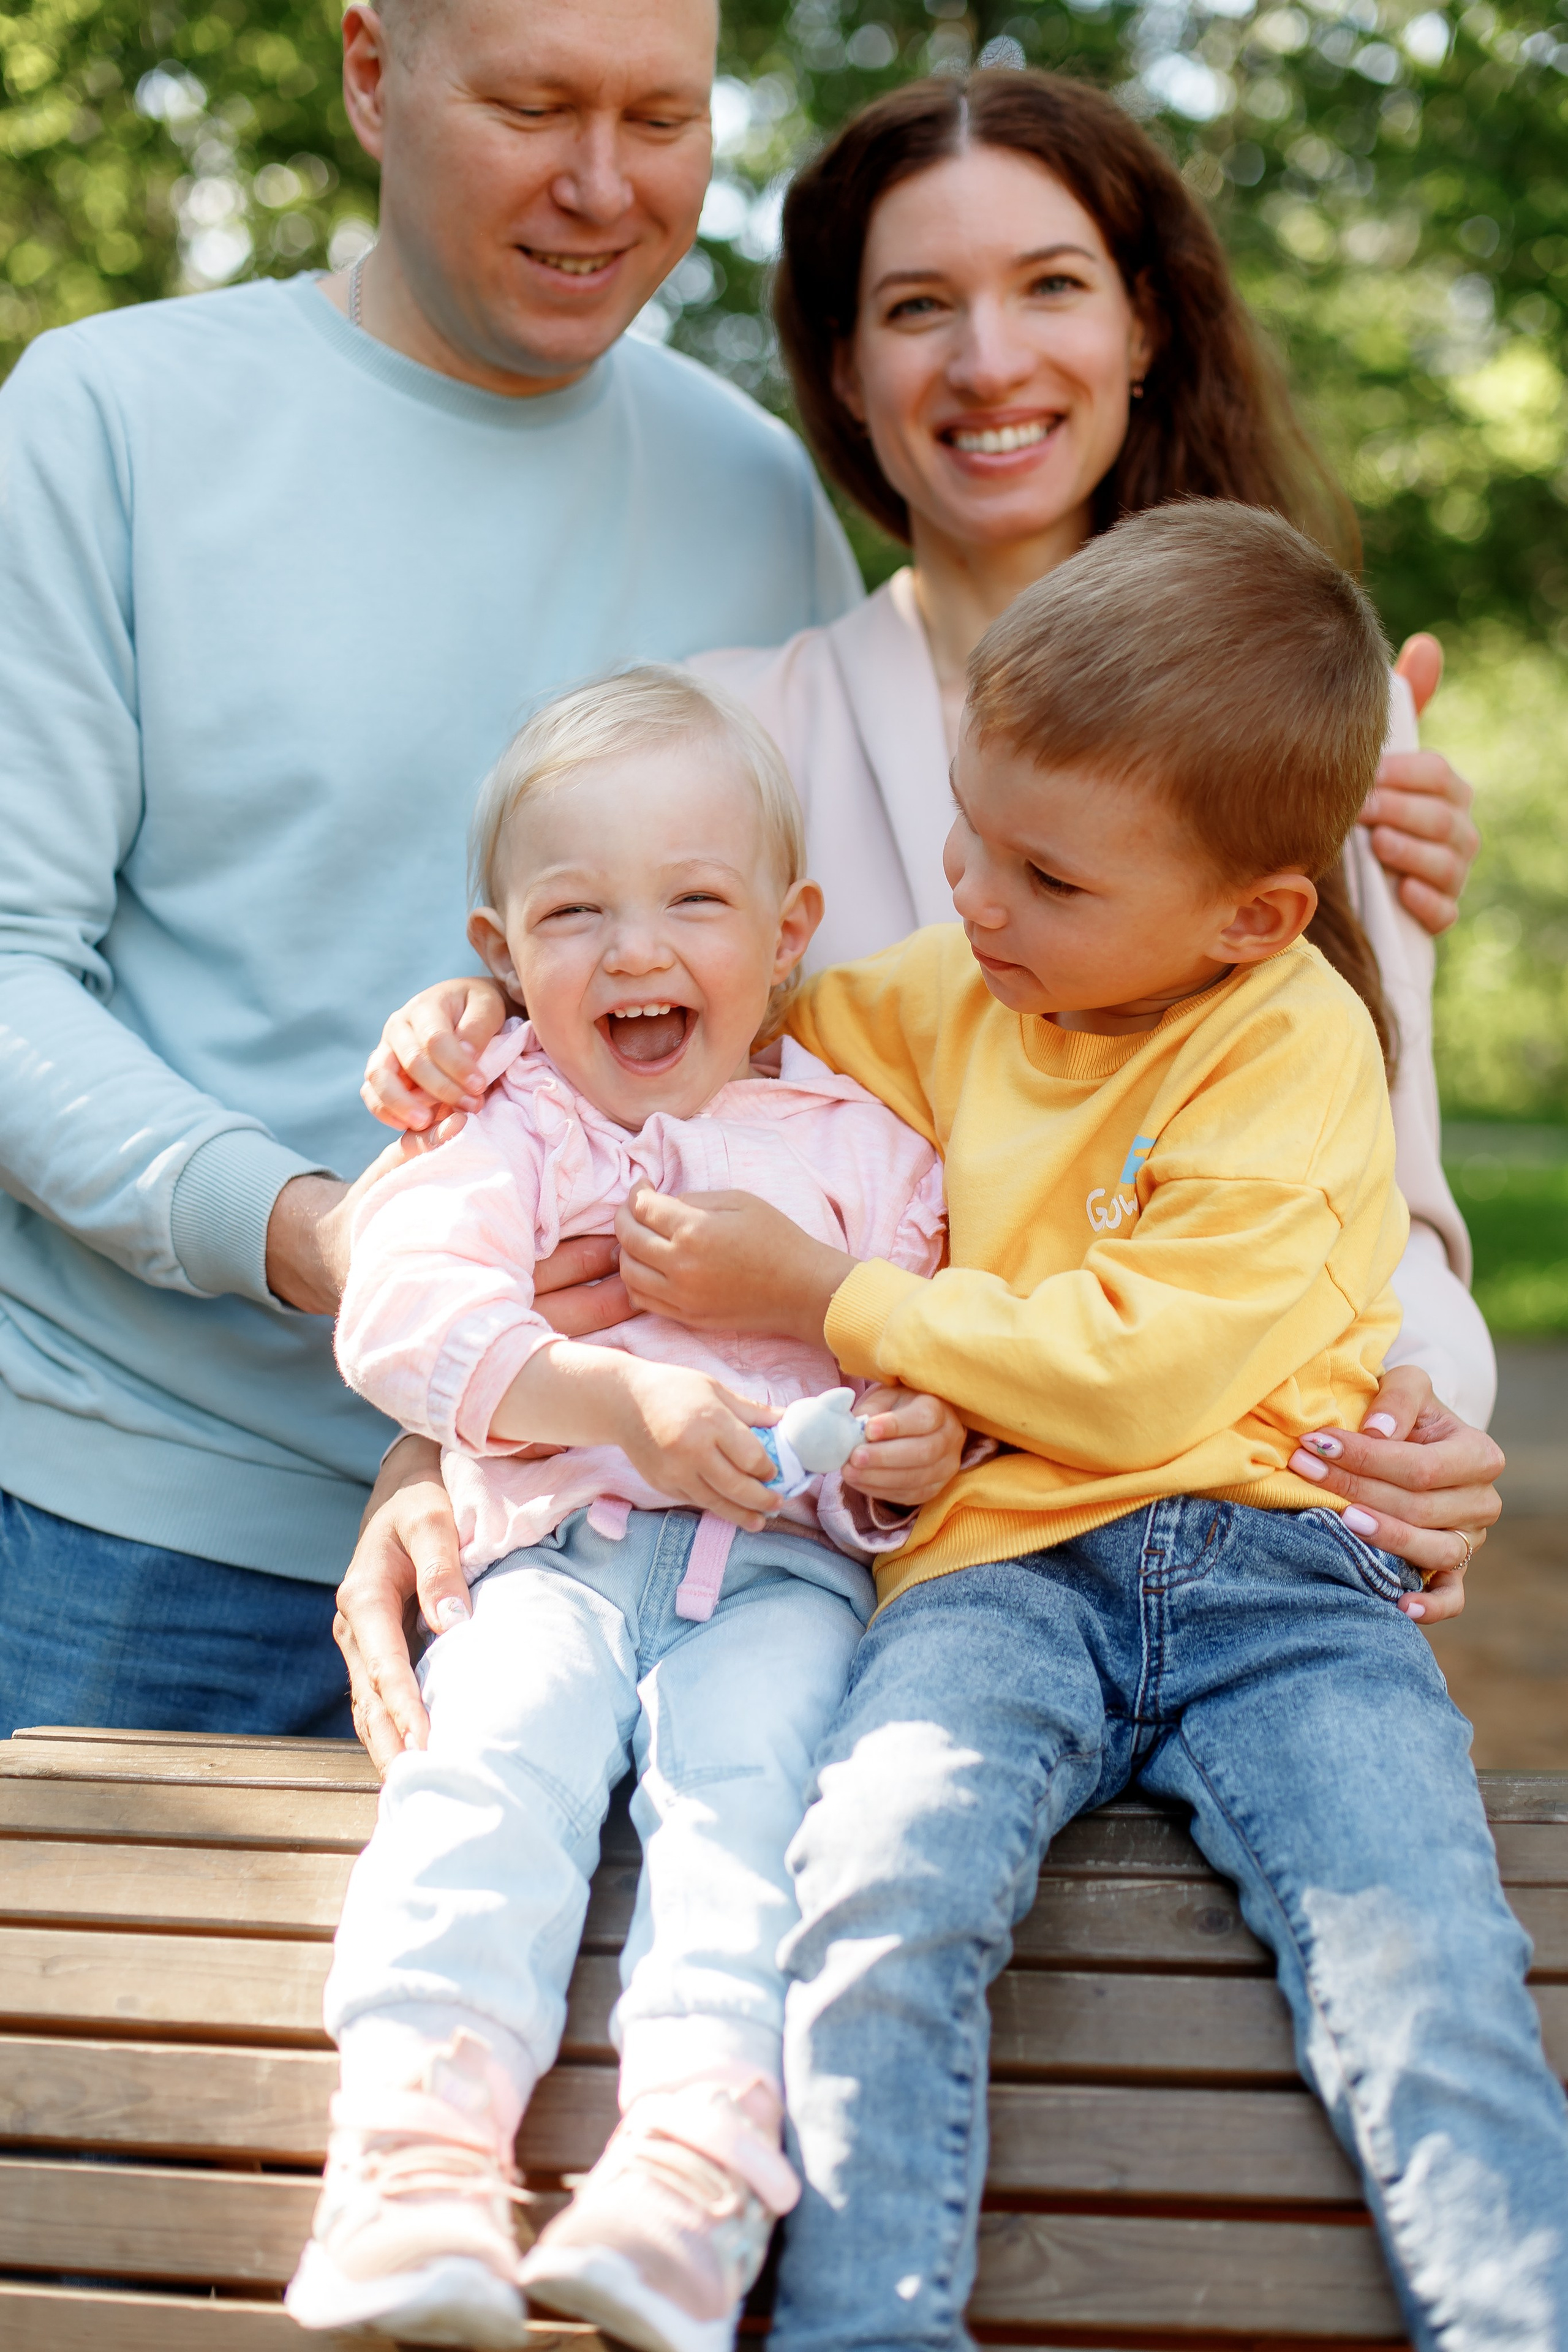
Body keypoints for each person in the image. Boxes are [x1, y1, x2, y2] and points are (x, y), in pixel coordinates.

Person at [349, 70, 1501, 1768]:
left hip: (1214, 1573)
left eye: (1049, 285)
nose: (985, 361)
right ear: (844, 372)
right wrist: (431, 1434)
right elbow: (555, 1149)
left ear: (1144, 331)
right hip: (803, 1601)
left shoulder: (1326, 745)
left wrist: (1427, 1432)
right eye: (914, 308)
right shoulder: (724, 734)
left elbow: (1385, 1207)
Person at [608, 503, 1568, 2352]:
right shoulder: (968, 982)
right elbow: (740, 1029)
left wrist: (823, 1294)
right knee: (880, 1880)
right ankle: (865, 2327)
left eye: (1047, 878)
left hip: (1280, 1577)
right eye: (971, 833)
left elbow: (1137, 1370)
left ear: (1255, 916)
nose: (975, 895)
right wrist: (504, 1007)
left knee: (1421, 1957)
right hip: (998, 1570)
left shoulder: (1295, 1046)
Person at [0, 0, 861, 1740]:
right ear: (375, 73)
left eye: (664, 118)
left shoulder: (759, 495)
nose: (604, 185)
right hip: (158, 1531)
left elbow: (856, 992)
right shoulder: (108, 418)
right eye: (536, 105)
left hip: (649, 1561)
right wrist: (341, 1246)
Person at [285, 668, 960, 2351]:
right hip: (550, 1568)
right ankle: (413, 2169)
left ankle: (691, 2176)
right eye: (575, 912)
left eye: (694, 903)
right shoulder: (503, 1117)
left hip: (784, 1593)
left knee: (752, 1830)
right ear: (501, 948)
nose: (635, 951)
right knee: (477, 1796)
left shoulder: (865, 1153)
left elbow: (924, 1390)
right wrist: (609, 1405)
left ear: (790, 930)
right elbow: (399, 1308)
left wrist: (898, 1459)